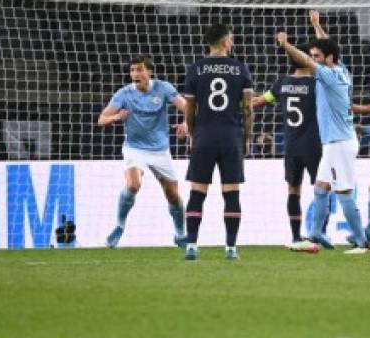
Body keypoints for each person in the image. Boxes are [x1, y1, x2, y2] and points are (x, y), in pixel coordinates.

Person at [278, 10, 370, 255]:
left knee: (344, 193)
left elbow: (306, 61)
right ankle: (316, 232)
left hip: (340, 142)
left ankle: (363, 243)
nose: (313, 59)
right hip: (333, 142)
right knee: (320, 188)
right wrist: (317, 26)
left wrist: (286, 44)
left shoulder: (328, 76)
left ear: (328, 59)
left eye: (317, 56)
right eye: (313, 55)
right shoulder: (342, 70)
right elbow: (327, 48)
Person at [97, 55, 188, 249]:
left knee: (172, 195)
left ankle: (180, 234)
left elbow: (188, 107)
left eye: (139, 69)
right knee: (133, 184)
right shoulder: (123, 94)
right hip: (134, 148)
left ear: (149, 72)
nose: (135, 74)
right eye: (132, 70)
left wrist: (187, 123)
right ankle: (119, 226)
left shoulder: (163, 88)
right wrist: (116, 117)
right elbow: (101, 119)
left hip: (160, 151)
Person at [182, 23, 254, 261]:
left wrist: (193, 134)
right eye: (231, 39)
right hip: (231, 136)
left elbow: (190, 109)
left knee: (197, 191)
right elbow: (248, 109)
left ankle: (191, 245)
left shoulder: (196, 69)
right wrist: (248, 137)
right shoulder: (240, 68)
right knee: (231, 193)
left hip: (204, 135)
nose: (232, 42)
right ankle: (231, 248)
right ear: (225, 42)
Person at [252, 44, 323, 247]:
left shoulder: (281, 84)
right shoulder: (316, 85)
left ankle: (295, 236)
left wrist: (239, 103)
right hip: (313, 144)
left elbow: (259, 101)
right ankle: (318, 234)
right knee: (321, 190)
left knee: (293, 189)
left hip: (291, 146)